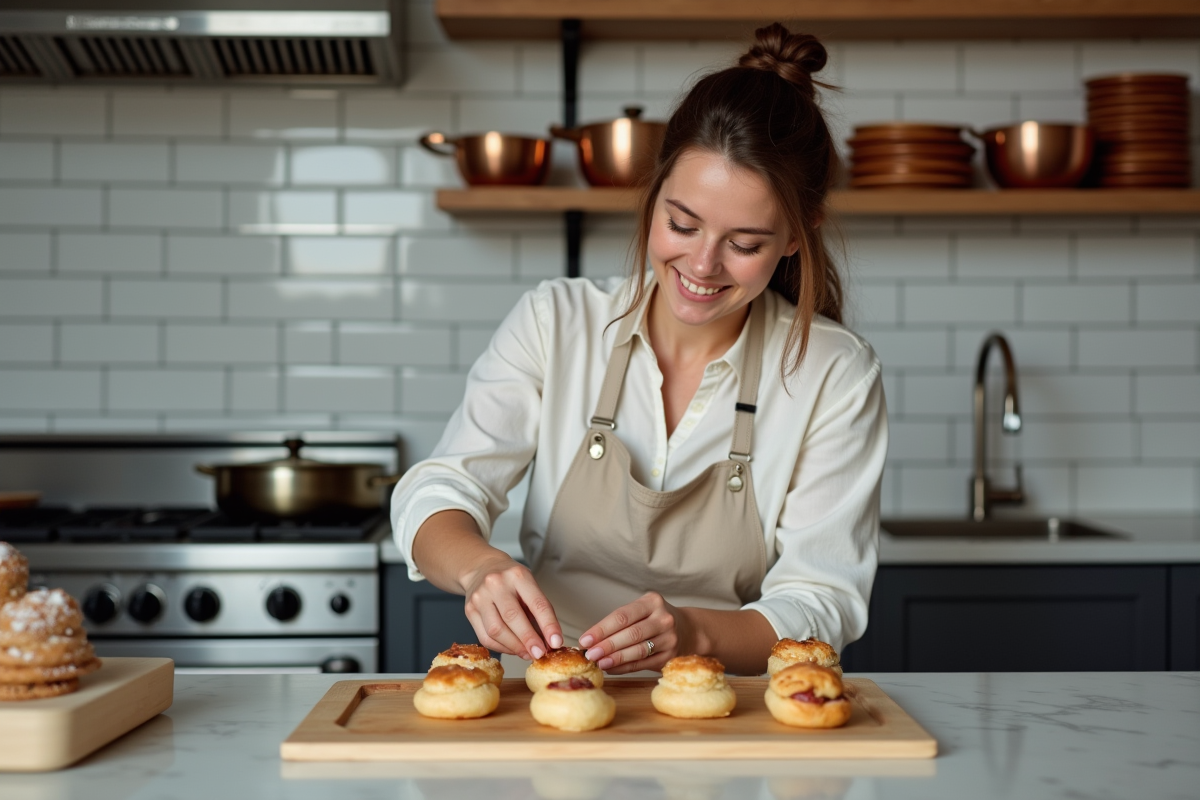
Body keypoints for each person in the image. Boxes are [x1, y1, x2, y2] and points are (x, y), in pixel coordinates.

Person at [391, 23, 887, 677]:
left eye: (744, 243)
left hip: (719, 707)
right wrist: (482, 568)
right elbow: (440, 490)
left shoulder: (834, 373)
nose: (702, 265)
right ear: (653, 195)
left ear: (798, 235)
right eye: (682, 223)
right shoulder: (557, 322)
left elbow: (822, 601)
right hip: (550, 693)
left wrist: (693, 635)